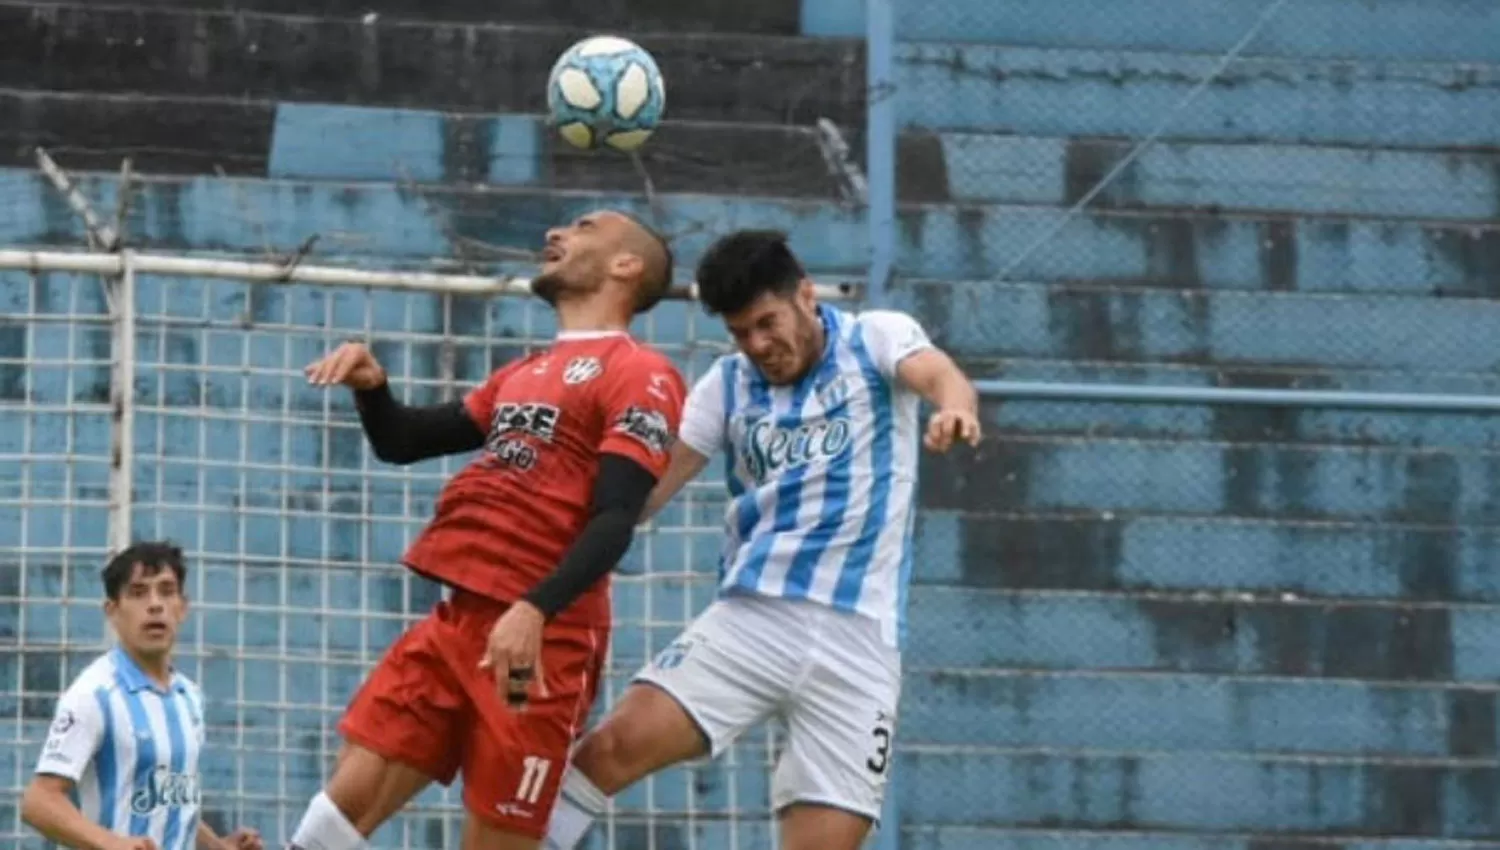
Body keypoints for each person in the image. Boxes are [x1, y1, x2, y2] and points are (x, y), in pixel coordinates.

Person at [543, 229, 981, 850]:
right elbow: (644, 494)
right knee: (606, 752)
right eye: (741, 333)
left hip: (862, 645)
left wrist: (954, 408)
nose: (758, 345)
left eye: (767, 323)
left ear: (805, 295)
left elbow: (940, 376)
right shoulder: (727, 385)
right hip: (754, 618)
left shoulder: (875, 336)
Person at [286, 210, 687, 850]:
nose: (556, 233)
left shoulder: (642, 372)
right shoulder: (523, 372)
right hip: (457, 623)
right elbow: (402, 441)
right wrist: (373, 387)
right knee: (332, 820)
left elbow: (616, 519)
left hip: (541, 646)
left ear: (626, 265)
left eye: (583, 227)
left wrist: (535, 609)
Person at [21, 541, 263, 850]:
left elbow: (168, 800)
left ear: (182, 607)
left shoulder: (189, 697)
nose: (155, 605)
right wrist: (110, 842)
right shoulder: (94, 695)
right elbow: (39, 801)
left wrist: (217, 845)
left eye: (166, 591)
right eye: (138, 593)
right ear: (113, 611)